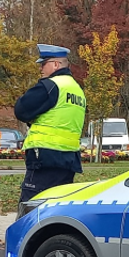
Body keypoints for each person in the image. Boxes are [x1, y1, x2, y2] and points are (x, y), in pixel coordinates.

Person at [15, 44, 86, 203]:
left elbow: (21, 110)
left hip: (44, 159)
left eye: (43, 63)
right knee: (56, 208)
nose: (41, 68)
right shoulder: (77, 90)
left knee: (31, 208)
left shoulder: (50, 85)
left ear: (56, 64)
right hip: (68, 160)